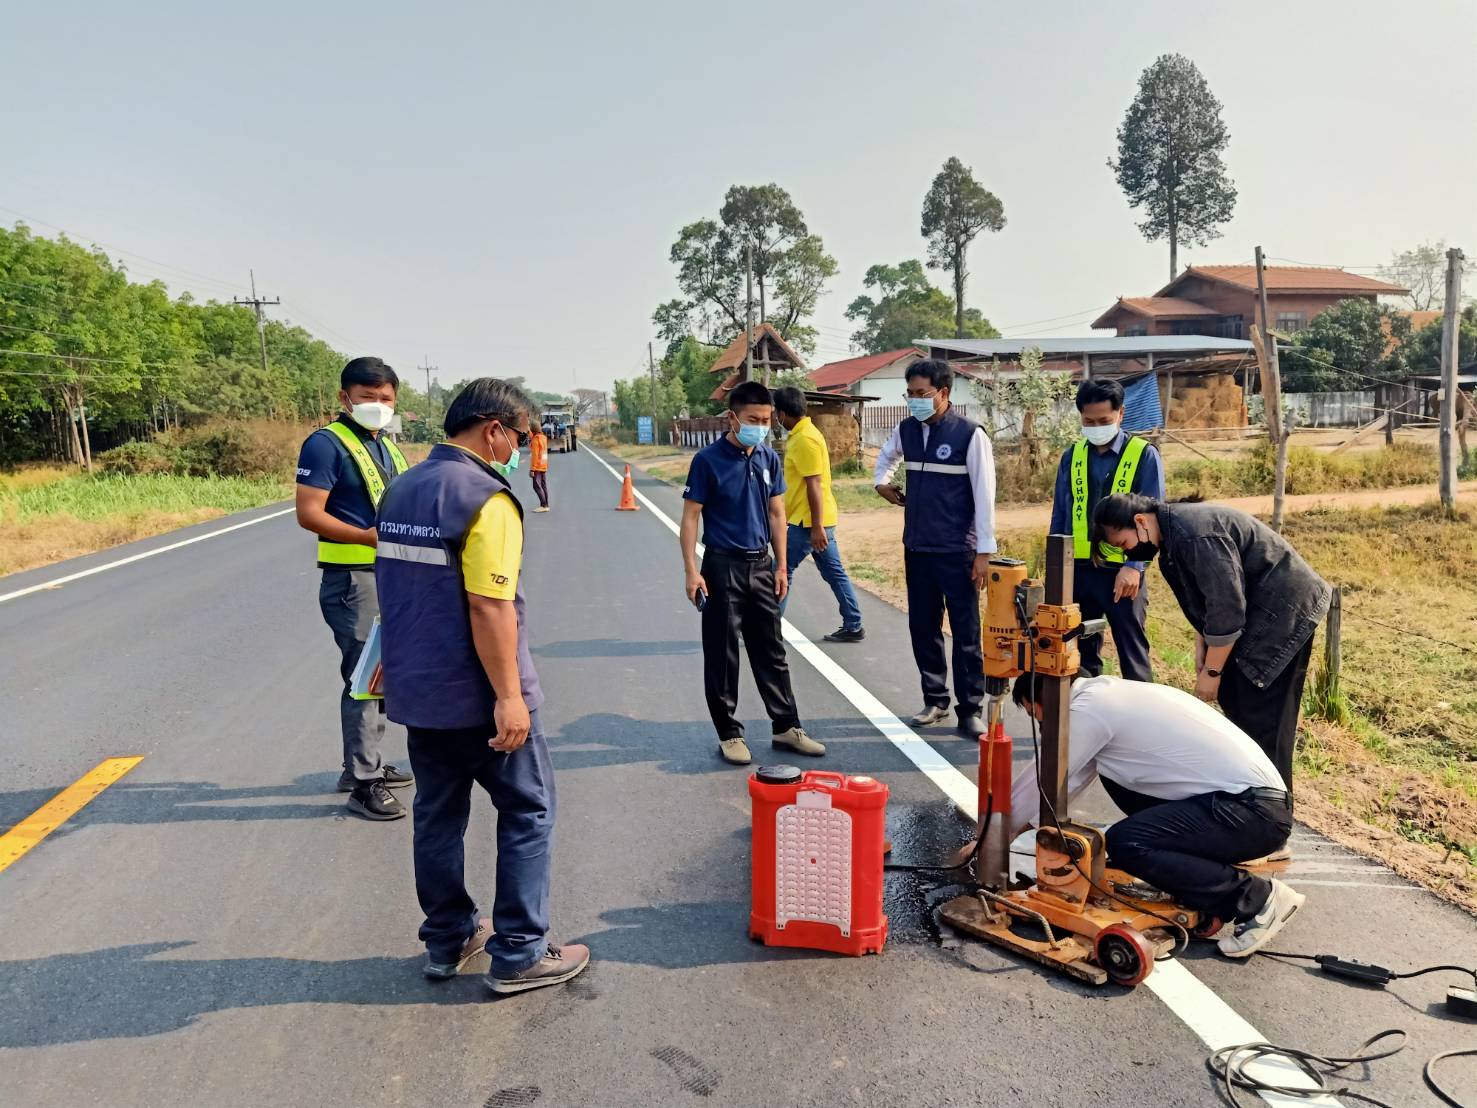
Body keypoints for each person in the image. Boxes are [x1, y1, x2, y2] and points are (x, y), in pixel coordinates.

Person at [373, 377, 589, 994]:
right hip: (478, 693)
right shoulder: (485, 499)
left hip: (420, 690)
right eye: (518, 437)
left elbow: (398, 589)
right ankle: (520, 951)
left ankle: (449, 937)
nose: (519, 449)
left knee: (438, 815)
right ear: (493, 429)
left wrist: (388, 660)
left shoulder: (401, 488)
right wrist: (510, 697)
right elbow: (490, 605)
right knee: (528, 809)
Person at [1010, 673, 1303, 959]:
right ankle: (1199, 889)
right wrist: (1015, 829)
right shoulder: (1109, 695)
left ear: (1046, 696)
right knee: (1118, 802)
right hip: (1250, 806)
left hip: (1250, 812)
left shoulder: (1090, 709)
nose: (1041, 725)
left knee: (1127, 843)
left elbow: (1042, 781)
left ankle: (1257, 898)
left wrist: (996, 835)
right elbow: (1062, 782)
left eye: (1035, 715)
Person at [1093, 494, 1332, 791]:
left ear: (1140, 521)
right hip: (1257, 611)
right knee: (1237, 707)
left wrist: (1212, 672)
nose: (1128, 553)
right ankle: (1247, 800)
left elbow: (1227, 608)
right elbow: (1206, 599)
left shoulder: (1194, 535)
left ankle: (1270, 808)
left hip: (1283, 612)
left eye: (1123, 544)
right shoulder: (1173, 535)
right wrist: (1204, 649)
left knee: (1262, 721)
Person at [295, 356, 415, 821]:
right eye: (368, 397)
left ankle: (363, 765)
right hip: (352, 579)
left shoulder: (385, 445)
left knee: (381, 672)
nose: (378, 405)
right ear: (345, 397)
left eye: (386, 398)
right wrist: (366, 538)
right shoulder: (326, 445)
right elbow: (309, 513)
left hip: (386, 574)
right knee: (365, 678)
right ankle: (364, 783)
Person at [681, 380, 825, 766]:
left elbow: (777, 514)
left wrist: (781, 565)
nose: (761, 427)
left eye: (766, 420)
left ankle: (786, 727)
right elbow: (691, 516)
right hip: (722, 566)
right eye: (753, 419)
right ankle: (729, 733)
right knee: (723, 652)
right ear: (733, 418)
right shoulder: (708, 461)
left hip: (761, 564)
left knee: (771, 649)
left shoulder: (768, 458)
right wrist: (692, 571)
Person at [874, 359, 997, 736]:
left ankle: (970, 708)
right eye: (909, 394)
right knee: (923, 627)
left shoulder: (970, 435)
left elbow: (985, 495)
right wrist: (882, 482)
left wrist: (984, 551)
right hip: (918, 547)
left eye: (921, 394)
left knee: (965, 631)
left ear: (943, 392)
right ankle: (935, 700)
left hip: (958, 550)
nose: (914, 400)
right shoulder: (906, 430)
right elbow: (886, 457)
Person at [1047, 379, 1165, 683]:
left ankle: (1140, 709)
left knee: (1132, 653)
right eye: (1089, 421)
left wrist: (1134, 566)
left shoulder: (1143, 455)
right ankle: (1085, 707)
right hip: (1078, 570)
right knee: (1078, 654)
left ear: (1120, 414)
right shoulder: (1072, 455)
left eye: (1104, 420)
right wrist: (1056, 567)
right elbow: (1061, 513)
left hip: (1122, 572)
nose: (1096, 427)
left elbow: (1152, 520)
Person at [772, 387, 865, 643]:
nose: (776, 419)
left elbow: (814, 484)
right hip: (812, 519)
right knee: (834, 573)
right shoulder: (803, 434)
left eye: (776, 413)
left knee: (780, 569)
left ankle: (768, 628)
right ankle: (853, 624)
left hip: (809, 521)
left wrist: (816, 526)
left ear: (782, 413)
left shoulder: (805, 439)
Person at [528, 424, 550, 512]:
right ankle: (546, 505)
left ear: (533, 430)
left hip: (537, 466)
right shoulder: (543, 438)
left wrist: (532, 469)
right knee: (543, 486)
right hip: (543, 465)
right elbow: (532, 436)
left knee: (536, 486)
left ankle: (543, 505)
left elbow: (535, 456)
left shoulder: (535, 440)